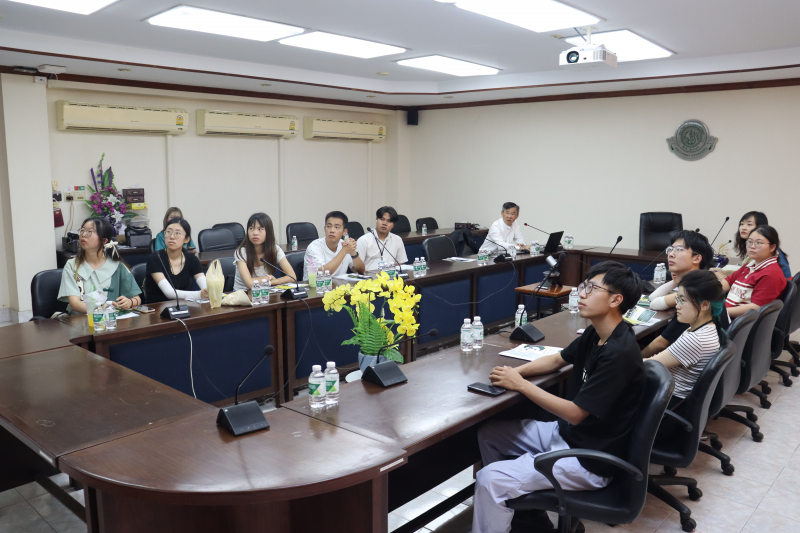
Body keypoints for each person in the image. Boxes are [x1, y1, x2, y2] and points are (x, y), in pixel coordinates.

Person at [472, 262, 645, 533]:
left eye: (591, 288)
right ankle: (525, 513)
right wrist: (514, 373)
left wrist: (521, 385)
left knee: (489, 480)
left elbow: (575, 413)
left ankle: (503, 499)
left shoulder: (619, 353)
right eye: (584, 286)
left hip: (589, 460)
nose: (581, 293)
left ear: (615, 300)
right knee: (489, 434)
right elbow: (556, 360)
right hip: (569, 436)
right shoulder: (597, 332)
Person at [644, 270, 726, 409]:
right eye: (677, 299)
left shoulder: (696, 340)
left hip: (667, 403)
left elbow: (648, 365)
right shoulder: (707, 327)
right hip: (671, 395)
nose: (677, 305)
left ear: (704, 305)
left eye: (682, 300)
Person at [641, 231, 715, 358]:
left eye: (679, 250)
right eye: (670, 249)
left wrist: (634, 362)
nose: (671, 254)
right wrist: (676, 280)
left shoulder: (696, 291)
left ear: (697, 258)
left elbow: (662, 343)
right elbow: (652, 299)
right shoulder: (703, 281)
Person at [58, 217, 142, 314]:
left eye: (90, 231)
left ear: (104, 240)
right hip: (82, 319)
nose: (83, 235)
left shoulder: (117, 266)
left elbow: (137, 299)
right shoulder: (72, 265)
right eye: (82, 230)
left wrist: (129, 302)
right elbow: (75, 304)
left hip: (112, 320)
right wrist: (100, 309)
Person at [716, 224, 787, 318]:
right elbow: (728, 282)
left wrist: (719, 312)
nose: (752, 246)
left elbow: (756, 308)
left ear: (772, 247)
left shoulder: (771, 274)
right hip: (726, 315)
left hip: (737, 322)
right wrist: (707, 292)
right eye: (750, 242)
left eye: (759, 243)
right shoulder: (749, 266)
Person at [144, 218, 207, 304]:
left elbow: (205, 285)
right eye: (168, 232)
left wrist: (207, 292)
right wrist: (199, 295)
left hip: (185, 306)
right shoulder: (155, 258)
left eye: (177, 233)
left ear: (187, 239)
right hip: (158, 308)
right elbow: (169, 293)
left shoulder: (192, 259)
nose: (172, 237)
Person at [234, 212, 297, 292]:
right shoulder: (241, 252)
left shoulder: (275, 250)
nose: (255, 233)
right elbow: (249, 284)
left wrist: (270, 283)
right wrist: (268, 277)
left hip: (265, 293)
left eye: (260, 229)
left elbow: (292, 277)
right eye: (251, 228)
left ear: (268, 232)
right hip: (244, 295)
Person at [303, 211, 365, 280]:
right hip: (315, 285)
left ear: (344, 232)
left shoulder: (344, 245)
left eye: (337, 227)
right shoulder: (314, 247)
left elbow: (361, 271)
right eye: (328, 226)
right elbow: (321, 274)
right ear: (325, 229)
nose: (332, 230)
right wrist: (344, 251)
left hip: (338, 285)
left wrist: (352, 252)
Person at [733, 211, 790, 277]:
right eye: (741, 224)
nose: (743, 228)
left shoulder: (770, 252)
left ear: (760, 227)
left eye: (749, 224)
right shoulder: (751, 247)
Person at [356, 206, 408, 271]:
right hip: (369, 276)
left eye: (389, 221)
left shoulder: (397, 240)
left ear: (393, 225)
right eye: (382, 219)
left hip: (390, 275)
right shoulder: (363, 240)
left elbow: (400, 263)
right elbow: (357, 267)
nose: (384, 223)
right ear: (376, 219)